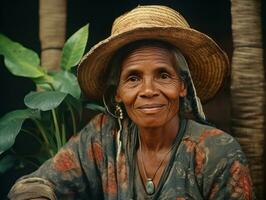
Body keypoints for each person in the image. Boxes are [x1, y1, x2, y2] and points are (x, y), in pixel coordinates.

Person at [8, 5, 254, 200]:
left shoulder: (218, 153)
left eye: (163, 75)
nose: (148, 90)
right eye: (133, 78)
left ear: (183, 86)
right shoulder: (104, 136)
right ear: (118, 92)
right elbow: (35, 184)